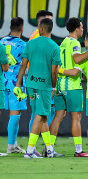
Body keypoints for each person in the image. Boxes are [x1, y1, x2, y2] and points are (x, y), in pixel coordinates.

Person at [49, 18, 88, 157]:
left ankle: (49, 148)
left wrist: (59, 72)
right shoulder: (75, 43)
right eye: (81, 27)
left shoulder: (63, 42)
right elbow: (77, 59)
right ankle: (78, 150)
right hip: (72, 86)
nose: (82, 29)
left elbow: (58, 64)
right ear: (76, 29)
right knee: (76, 118)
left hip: (60, 85)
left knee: (58, 116)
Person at [13, 18, 60, 158]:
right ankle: (29, 150)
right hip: (44, 86)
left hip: (31, 84)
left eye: (39, 26)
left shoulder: (31, 43)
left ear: (42, 29)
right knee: (39, 116)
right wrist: (54, 87)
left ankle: (49, 149)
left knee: (42, 115)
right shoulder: (54, 47)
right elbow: (54, 71)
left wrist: (18, 83)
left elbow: (23, 65)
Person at [2, 17, 26, 154]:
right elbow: (25, 65)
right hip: (16, 83)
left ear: (10, 27)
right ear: (22, 28)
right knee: (15, 114)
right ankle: (11, 145)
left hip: (2, 81)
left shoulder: (1, 42)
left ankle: (14, 144)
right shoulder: (24, 45)